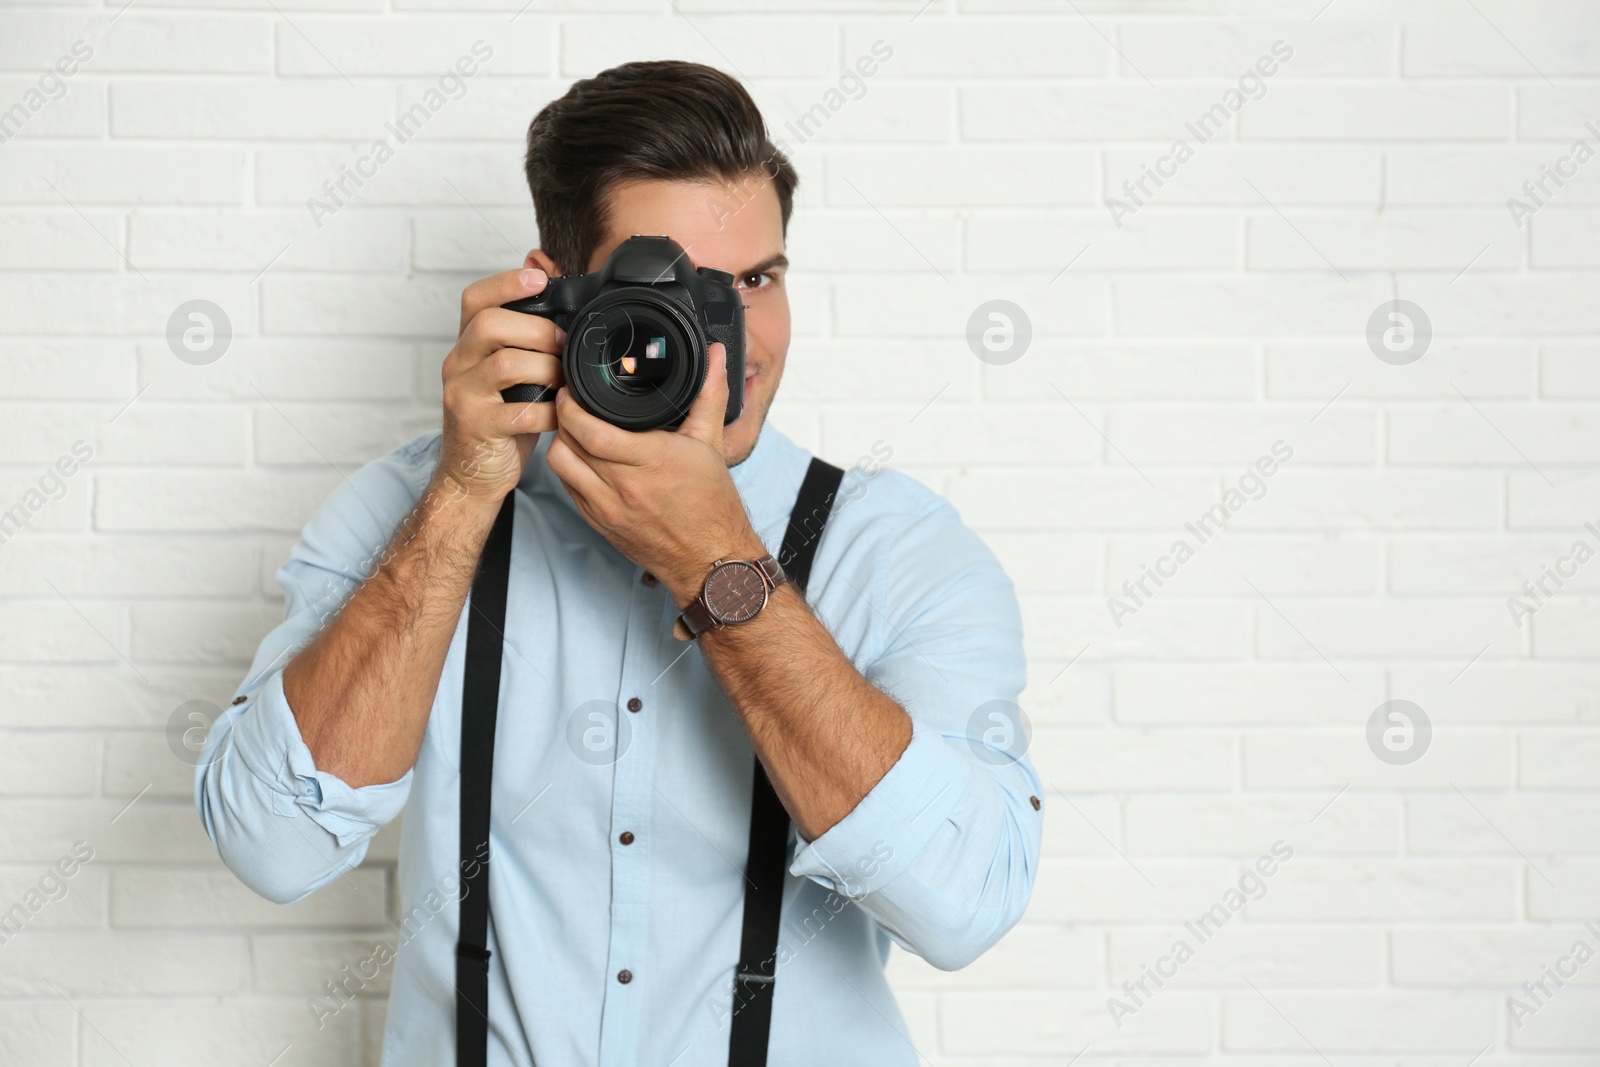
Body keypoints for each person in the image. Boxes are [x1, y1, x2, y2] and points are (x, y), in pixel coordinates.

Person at [197, 59, 1041, 1066]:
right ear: (557, 294)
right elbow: (271, 845)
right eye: (682, 287)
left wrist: (725, 568)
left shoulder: (893, 548)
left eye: (758, 281)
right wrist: (464, 495)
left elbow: (965, 900)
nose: (732, 337)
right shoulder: (410, 511)